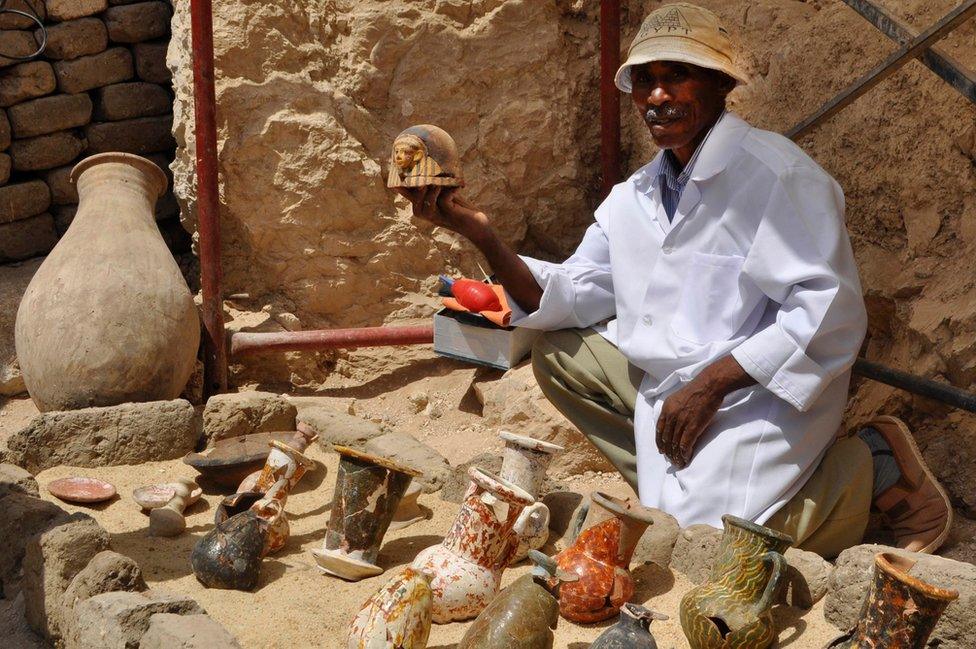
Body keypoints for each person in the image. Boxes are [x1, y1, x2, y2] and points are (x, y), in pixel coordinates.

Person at [396, 3, 952, 557]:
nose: (657, 97)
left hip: (754, 394)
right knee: (560, 353)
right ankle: (677, 494)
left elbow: (829, 311)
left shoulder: (777, 176)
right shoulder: (633, 198)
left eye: (676, 76)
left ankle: (870, 467)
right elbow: (566, 296)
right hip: (670, 390)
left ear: (719, 85)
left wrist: (711, 385)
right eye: (645, 80)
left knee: (717, 555)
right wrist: (479, 233)